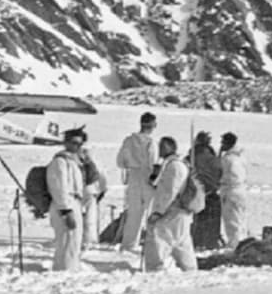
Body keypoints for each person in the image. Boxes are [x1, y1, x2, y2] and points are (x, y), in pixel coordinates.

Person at [143, 136, 197, 272]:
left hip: (172, 211)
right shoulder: (171, 164)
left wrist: (158, 212)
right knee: (181, 242)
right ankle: (190, 269)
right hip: (177, 212)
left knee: (159, 238)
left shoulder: (175, 166)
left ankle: (155, 269)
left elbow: (170, 192)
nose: (159, 149)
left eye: (162, 146)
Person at [115, 111, 158, 252]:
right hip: (147, 177)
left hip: (133, 176)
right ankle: (152, 243)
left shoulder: (128, 141)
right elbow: (153, 161)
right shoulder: (151, 142)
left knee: (134, 213)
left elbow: (120, 161)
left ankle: (128, 244)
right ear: (152, 125)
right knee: (152, 211)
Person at [46, 127, 86, 272]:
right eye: (75, 143)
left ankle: (71, 268)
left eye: (80, 144)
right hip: (64, 204)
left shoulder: (74, 161)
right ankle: (63, 270)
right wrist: (65, 210)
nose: (78, 147)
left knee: (74, 241)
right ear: (67, 142)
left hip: (74, 202)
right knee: (66, 240)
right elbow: (58, 187)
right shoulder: (59, 162)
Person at [190, 131, 223, 249]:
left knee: (199, 220)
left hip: (197, 192)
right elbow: (220, 172)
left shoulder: (193, 156)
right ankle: (210, 242)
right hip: (211, 191)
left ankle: (198, 241)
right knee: (211, 222)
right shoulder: (212, 157)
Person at [219, 131, 248, 248]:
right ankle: (242, 242)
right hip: (241, 190)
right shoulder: (240, 156)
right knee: (241, 219)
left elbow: (220, 172)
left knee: (232, 221)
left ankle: (234, 245)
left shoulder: (228, 159)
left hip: (230, 190)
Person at [79, 146, 108, 251]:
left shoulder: (74, 162)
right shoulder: (96, 163)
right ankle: (91, 241)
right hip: (92, 192)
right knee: (90, 218)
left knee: (78, 218)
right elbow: (103, 179)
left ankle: (78, 240)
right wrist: (102, 192)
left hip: (77, 193)